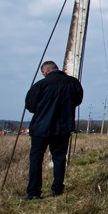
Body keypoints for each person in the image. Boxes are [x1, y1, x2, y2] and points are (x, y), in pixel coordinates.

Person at [24, 61, 83, 200]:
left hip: (41, 128)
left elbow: (31, 106)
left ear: (45, 72)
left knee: (36, 159)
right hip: (62, 128)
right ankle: (57, 189)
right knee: (59, 158)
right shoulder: (73, 83)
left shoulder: (40, 85)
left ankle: (33, 192)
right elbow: (77, 100)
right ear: (57, 69)